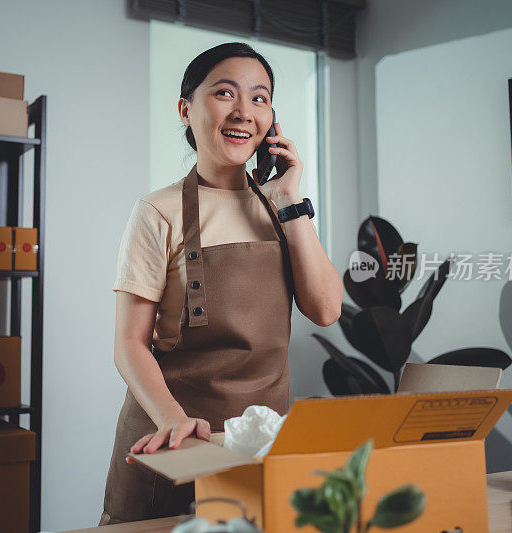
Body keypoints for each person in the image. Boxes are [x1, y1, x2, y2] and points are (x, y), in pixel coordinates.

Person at [99, 42, 343, 525]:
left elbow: (326, 309)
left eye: (259, 97)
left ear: (271, 120)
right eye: (225, 92)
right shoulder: (157, 211)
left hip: (255, 441)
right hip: (171, 438)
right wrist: (173, 421)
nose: (243, 111)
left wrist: (289, 199)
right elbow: (130, 344)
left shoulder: (284, 209)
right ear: (187, 110)